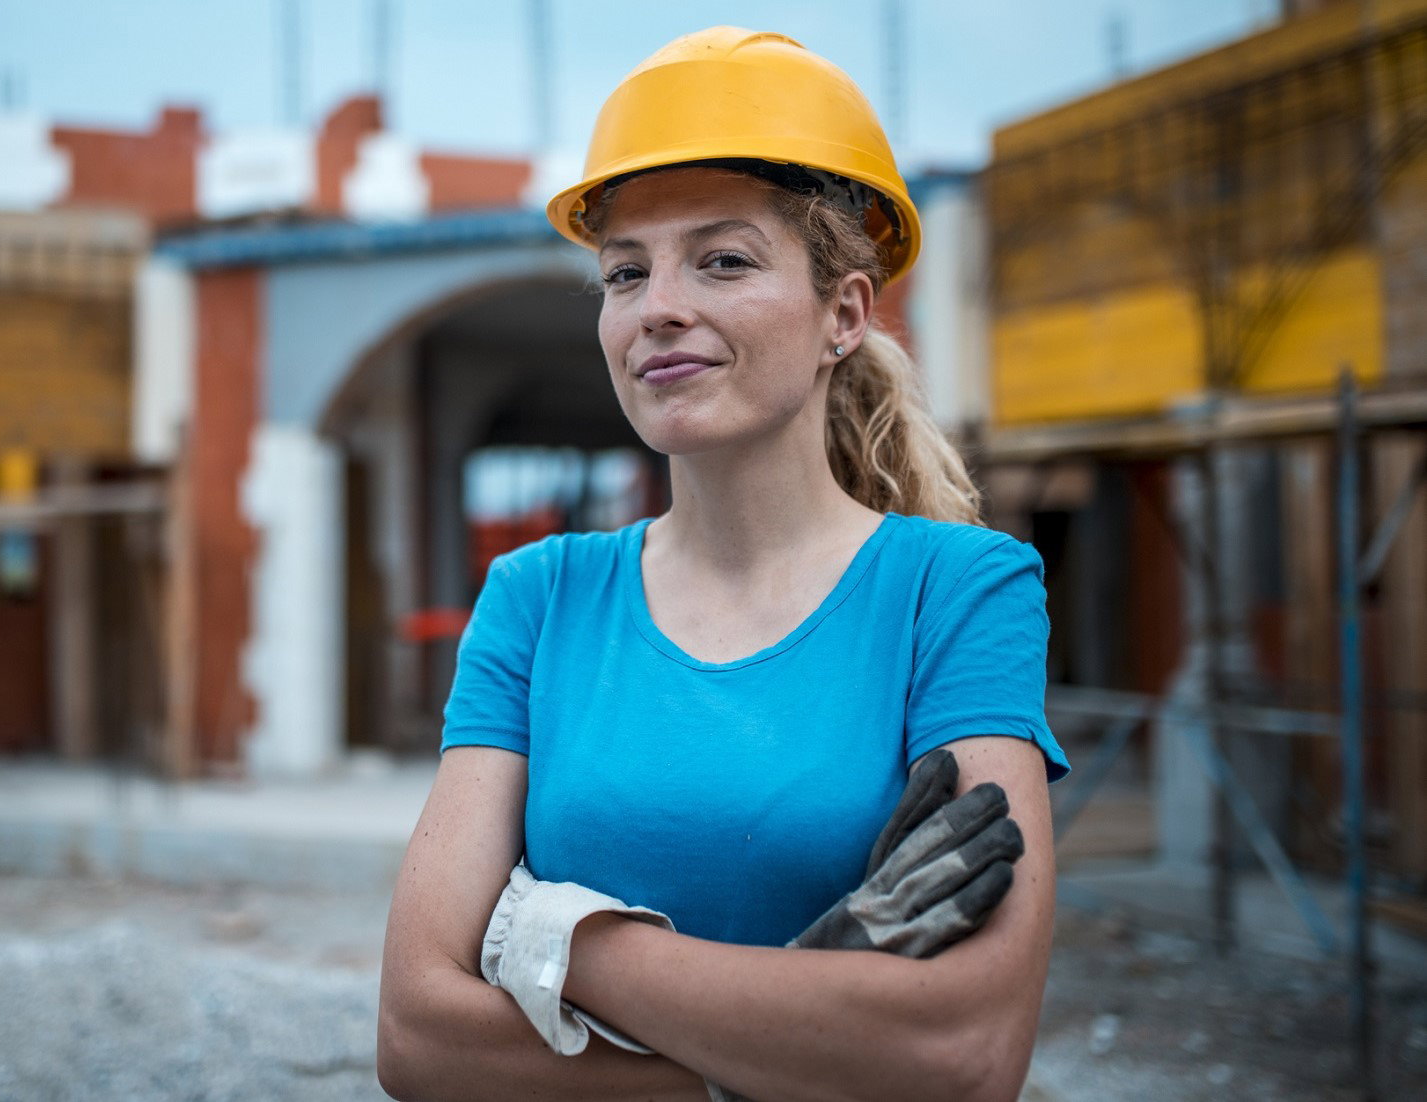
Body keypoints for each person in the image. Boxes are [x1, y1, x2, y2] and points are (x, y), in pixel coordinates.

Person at [377, 26, 1070, 1102]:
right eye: (625, 272)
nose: (657, 306)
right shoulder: (538, 597)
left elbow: (962, 1054)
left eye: (724, 260)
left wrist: (552, 935)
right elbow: (418, 1036)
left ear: (844, 312)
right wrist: (794, 1051)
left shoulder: (958, 591)